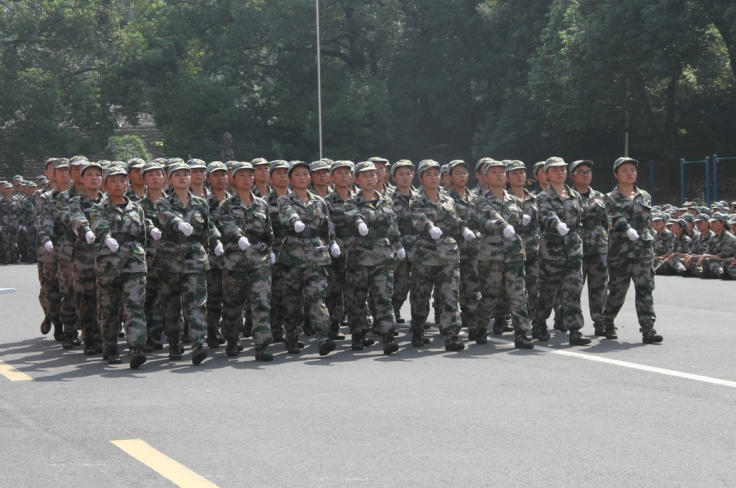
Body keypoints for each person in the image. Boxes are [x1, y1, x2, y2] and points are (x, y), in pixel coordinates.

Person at [153, 161, 223, 365]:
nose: (183, 177)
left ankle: (198, 345)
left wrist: (216, 242)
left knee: (197, 304)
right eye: (177, 175)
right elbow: (167, 217)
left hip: (194, 259)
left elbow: (209, 228)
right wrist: (179, 224)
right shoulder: (163, 202)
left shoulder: (201, 203)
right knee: (171, 305)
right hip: (170, 259)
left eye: (186, 174)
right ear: (169, 180)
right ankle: (174, 343)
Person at [89, 165, 152, 368]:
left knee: (135, 305)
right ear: (106, 184)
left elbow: (142, 236)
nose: (118, 185)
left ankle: (136, 348)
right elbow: (98, 225)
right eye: (113, 181)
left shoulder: (137, 208)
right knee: (109, 308)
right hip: (109, 265)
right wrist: (106, 237)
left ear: (128, 184)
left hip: (134, 264)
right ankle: (110, 346)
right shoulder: (99, 208)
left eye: (122, 180)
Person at [277, 160, 338, 356]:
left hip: (316, 256)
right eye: (297, 174)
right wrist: (295, 221)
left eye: (305, 174)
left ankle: (323, 337)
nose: (302, 178)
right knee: (292, 301)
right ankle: (292, 337)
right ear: (290, 179)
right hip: (292, 257)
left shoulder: (319, 201)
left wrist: (332, 243)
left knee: (317, 298)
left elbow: (326, 226)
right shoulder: (285, 200)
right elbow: (287, 215)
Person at [344, 161, 404, 354]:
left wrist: (398, 246)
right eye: (364, 176)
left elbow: (392, 227)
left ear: (377, 177)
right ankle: (358, 334)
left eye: (372, 175)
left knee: (383, 298)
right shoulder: (352, 202)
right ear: (356, 180)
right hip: (359, 256)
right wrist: (359, 223)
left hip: (382, 256)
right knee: (357, 298)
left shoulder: (387, 201)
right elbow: (352, 216)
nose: (369, 179)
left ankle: (388, 337)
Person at [473, 159, 534, 348]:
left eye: (502, 171)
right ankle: (480, 327)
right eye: (494, 172)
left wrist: (522, 221)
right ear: (485, 177)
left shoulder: (515, 200)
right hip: (491, 255)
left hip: (514, 254)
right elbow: (487, 219)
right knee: (490, 296)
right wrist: (503, 225)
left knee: (518, 296)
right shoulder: (480, 200)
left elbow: (520, 224)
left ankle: (522, 334)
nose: (499, 174)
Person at [218, 161, 275, 361]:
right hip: (235, 261)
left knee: (261, 303)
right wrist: (237, 237)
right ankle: (232, 340)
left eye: (250, 175)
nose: (246, 179)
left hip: (259, 260)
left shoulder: (262, 204)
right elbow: (226, 225)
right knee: (233, 304)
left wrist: (271, 250)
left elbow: (268, 231)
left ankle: (262, 345)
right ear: (234, 179)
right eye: (241, 175)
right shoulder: (226, 205)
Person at [408, 159, 466, 352]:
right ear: (421, 178)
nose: (433, 178)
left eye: (436, 174)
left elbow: (455, 221)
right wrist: (429, 227)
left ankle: (451, 335)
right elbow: (418, 218)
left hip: (449, 252)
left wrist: (464, 230)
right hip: (426, 252)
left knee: (450, 294)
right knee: (421, 294)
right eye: (428, 174)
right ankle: (417, 330)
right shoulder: (416, 199)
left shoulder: (448, 199)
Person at [603, 157, 662, 344]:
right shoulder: (610, 198)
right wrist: (627, 229)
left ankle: (648, 328)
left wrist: (650, 245)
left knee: (645, 288)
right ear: (616, 175)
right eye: (625, 170)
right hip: (620, 249)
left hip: (643, 248)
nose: (630, 173)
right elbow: (615, 217)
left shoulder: (644, 195)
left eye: (633, 170)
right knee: (618, 290)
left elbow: (647, 221)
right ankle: (608, 320)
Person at [535, 157, 591, 345]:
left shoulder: (575, 195)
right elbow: (546, 214)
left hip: (573, 248)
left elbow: (581, 217)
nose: (559, 173)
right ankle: (540, 322)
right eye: (555, 170)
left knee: (573, 289)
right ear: (547, 174)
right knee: (548, 291)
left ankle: (575, 330)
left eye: (562, 169)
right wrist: (556, 224)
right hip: (552, 249)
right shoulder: (543, 196)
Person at [569, 160, 610, 337]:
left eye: (588, 171)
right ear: (572, 176)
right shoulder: (568, 196)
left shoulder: (600, 196)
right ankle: (573, 324)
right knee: (574, 287)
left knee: (599, 286)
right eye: (580, 172)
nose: (585, 175)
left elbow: (606, 221)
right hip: (576, 247)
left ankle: (600, 322)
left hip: (598, 247)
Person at [68, 162, 105, 355]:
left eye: (97, 175)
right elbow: (76, 218)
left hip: (107, 258)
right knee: (85, 299)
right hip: (85, 258)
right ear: (82, 179)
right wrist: (86, 230)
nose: (94, 178)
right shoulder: (76, 201)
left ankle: (103, 337)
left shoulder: (109, 201)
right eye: (89, 175)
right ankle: (89, 338)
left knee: (105, 299)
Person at [506, 160, 541, 338]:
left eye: (521, 172)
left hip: (533, 250)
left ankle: (536, 323)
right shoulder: (504, 199)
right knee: (517, 292)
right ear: (507, 177)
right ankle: (519, 326)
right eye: (514, 173)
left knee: (535, 289)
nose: (519, 176)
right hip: (513, 251)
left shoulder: (534, 198)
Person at [447, 160, 480, 337]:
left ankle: (473, 323)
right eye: (457, 172)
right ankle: (451, 324)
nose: (462, 176)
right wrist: (462, 229)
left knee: (472, 287)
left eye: (464, 172)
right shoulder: (446, 198)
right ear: (450, 177)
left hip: (473, 249)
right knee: (453, 289)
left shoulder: (475, 198)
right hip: (453, 250)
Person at [324, 160, 355, 340]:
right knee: (334, 290)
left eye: (347, 172)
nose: (344, 176)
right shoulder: (327, 201)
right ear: (332, 177)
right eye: (339, 172)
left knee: (358, 289)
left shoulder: (359, 198)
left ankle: (359, 327)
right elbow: (327, 225)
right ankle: (333, 325)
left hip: (358, 250)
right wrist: (332, 243)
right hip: (337, 251)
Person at [139, 162, 166, 352]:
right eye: (150, 175)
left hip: (172, 257)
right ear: (143, 179)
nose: (155, 178)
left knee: (170, 298)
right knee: (149, 298)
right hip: (148, 258)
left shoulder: (175, 202)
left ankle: (173, 335)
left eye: (158, 174)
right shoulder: (138, 206)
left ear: (164, 177)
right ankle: (151, 335)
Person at [204, 161, 230, 348]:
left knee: (233, 296)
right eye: (215, 175)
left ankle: (230, 331)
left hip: (235, 255)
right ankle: (212, 330)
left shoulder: (235, 200)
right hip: (214, 256)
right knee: (214, 296)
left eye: (223, 174)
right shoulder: (205, 204)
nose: (220, 178)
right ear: (208, 179)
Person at [388, 160, 417, 324]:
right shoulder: (389, 199)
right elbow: (390, 225)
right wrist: (398, 246)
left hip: (419, 246)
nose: (405, 177)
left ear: (413, 175)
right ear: (394, 178)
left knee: (420, 284)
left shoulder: (420, 197)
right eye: (401, 174)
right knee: (401, 284)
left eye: (408, 173)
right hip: (398, 246)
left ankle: (418, 318)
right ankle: (393, 311)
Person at [266, 160, 291, 344]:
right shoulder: (264, 202)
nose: (282, 176)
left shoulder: (299, 198)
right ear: (270, 178)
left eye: (285, 173)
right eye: (278, 173)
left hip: (296, 249)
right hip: (275, 249)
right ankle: (275, 328)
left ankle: (292, 330)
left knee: (294, 292)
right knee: (276, 292)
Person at [685, 212, 735, 279]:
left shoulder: (728, 237)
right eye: (711, 222)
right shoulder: (713, 237)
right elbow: (708, 252)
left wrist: (705, 256)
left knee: (710, 260)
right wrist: (701, 256)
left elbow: (723, 256)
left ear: (722, 223)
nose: (712, 224)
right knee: (702, 260)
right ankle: (710, 273)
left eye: (714, 222)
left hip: (726, 261)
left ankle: (721, 273)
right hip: (717, 261)